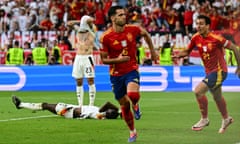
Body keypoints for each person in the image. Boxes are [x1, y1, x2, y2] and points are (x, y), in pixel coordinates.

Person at [99, 6, 157, 142]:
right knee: (124, 105)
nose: (124, 17)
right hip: (116, 75)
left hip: (131, 69)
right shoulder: (105, 37)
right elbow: (104, 59)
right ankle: (132, 132)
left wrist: (153, 52)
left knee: (132, 95)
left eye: (124, 14)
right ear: (113, 18)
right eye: (120, 15)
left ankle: (136, 104)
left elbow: (146, 34)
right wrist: (117, 60)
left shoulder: (132, 29)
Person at [173, 15, 240, 134]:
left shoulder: (216, 38)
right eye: (197, 23)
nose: (198, 26)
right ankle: (226, 119)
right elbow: (187, 52)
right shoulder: (195, 38)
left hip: (220, 71)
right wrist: (179, 55)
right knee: (217, 97)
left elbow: (234, 48)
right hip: (209, 72)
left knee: (198, 91)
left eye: (201, 24)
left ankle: (204, 119)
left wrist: (239, 67)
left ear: (208, 26)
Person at [68, 15, 97, 107]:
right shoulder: (78, 29)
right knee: (78, 80)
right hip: (78, 57)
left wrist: (84, 20)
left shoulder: (92, 30)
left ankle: (91, 104)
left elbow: (92, 20)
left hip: (88, 57)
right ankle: (80, 104)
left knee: (90, 80)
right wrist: (79, 21)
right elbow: (69, 23)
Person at [12, 95, 119, 120]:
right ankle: (21, 105)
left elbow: (107, 104)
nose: (108, 109)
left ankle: (21, 105)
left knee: (45, 105)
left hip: (70, 111)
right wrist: (118, 111)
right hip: (72, 108)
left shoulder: (99, 114)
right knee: (45, 106)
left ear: (108, 113)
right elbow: (108, 106)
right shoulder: (101, 112)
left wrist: (65, 111)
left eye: (109, 111)